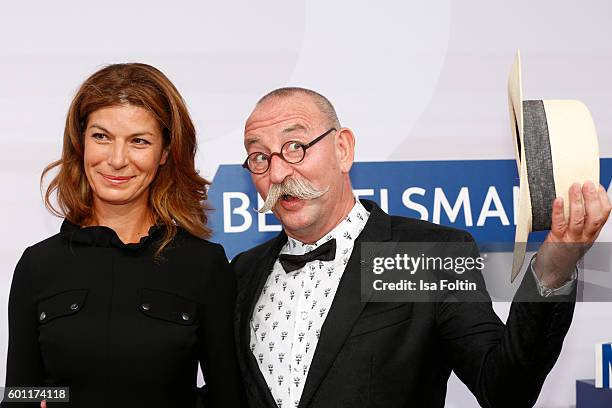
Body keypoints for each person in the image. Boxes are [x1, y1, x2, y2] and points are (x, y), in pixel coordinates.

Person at [233, 87, 611, 408]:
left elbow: (504, 390)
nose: (278, 173)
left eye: (295, 146)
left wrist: (554, 268)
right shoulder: (241, 273)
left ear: (343, 149)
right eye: (260, 157)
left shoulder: (418, 257)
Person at [3, 64, 245, 407]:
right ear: (80, 143)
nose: (117, 160)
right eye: (101, 137)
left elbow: (228, 398)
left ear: (164, 152)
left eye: (139, 142)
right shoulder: (37, 265)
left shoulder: (204, 265)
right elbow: (20, 395)